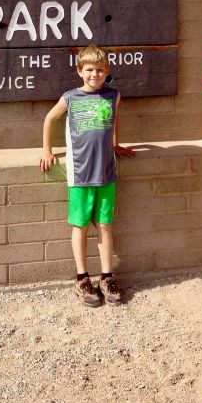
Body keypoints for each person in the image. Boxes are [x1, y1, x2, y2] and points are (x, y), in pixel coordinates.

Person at [39, 44, 135, 307]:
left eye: (100, 70)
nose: (95, 74)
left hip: (106, 172)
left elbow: (114, 121)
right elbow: (49, 119)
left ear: (107, 71)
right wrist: (47, 150)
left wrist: (116, 145)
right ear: (80, 71)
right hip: (80, 173)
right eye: (90, 69)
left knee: (105, 225)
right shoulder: (71, 97)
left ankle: (107, 277)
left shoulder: (113, 96)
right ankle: (82, 278)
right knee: (80, 225)